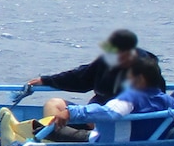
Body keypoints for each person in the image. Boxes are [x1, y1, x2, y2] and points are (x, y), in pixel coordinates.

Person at [2, 53, 174, 146]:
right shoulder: (169, 101)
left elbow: (110, 112)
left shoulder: (130, 98)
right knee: (54, 118)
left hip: (101, 143)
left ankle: (14, 137)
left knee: (47, 131)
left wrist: (72, 112)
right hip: (136, 143)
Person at [28, 28, 157, 106]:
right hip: (99, 112)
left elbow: (142, 100)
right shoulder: (107, 61)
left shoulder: (146, 68)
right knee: (54, 104)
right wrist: (46, 80)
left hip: (120, 117)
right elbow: (81, 77)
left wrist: (96, 114)